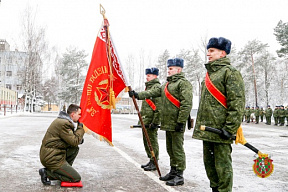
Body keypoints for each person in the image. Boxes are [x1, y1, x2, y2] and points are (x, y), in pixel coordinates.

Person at [192, 37, 245, 192]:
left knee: (223, 168)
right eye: (208, 50)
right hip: (208, 129)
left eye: (212, 50)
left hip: (221, 131)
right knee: (210, 166)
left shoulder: (231, 73)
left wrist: (229, 128)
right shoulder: (209, 75)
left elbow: (237, 103)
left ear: (222, 53)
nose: (208, 54)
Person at [129, 58, 193, 186]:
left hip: (176, 123)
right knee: (170, 149)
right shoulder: (166, 85)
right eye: (168, 68)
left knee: (177, 149)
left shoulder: (183, 83)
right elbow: (153, 92)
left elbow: (186, 104)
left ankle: (179, 175)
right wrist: (137, 94)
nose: (168, 71)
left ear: (178, 69)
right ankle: (173, 171)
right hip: (168, 123)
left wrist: (181, 121)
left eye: (171, 69)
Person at [39, 104, 85, 185]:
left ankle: (64, 171)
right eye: (79, 114)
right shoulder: (64, 123)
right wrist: (81, 128)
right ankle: (47, 173)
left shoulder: (63, 121)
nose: (80, 117)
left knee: (74, 149)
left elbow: (71, 140)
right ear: (73, 114)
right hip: (51, 158)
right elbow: (74, 141)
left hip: (52, 154)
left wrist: (79, 139)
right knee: (76, 178)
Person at [138, 67, 161, 171]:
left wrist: (155, 121)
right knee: (147, 141)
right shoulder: (148, 88)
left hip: (151, 121)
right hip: (146, 120)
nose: (147, 77)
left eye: (149, 75)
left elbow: (158, 107)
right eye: (147, 75)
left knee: (152, 142)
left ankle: (154, 161)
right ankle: (151, 160)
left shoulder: (156, 87)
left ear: (155, 76)